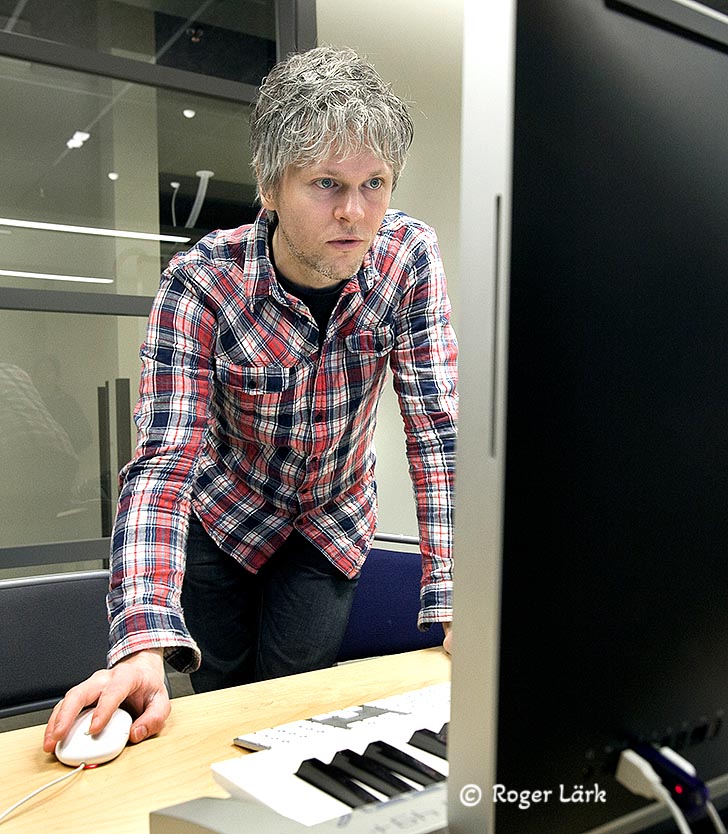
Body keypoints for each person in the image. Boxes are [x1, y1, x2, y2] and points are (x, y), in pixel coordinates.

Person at [44, 45, 457, 751]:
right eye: (326, 183)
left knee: (293, 711)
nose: (355, 212)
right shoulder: (201, 282)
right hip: (223, 516)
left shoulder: (408, 258)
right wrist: (140, 640)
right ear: (270, 186)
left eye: (375, 183)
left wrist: (459, 598)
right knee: (224, 708)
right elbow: (163, 461)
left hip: (330, 517)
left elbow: (438, 432)